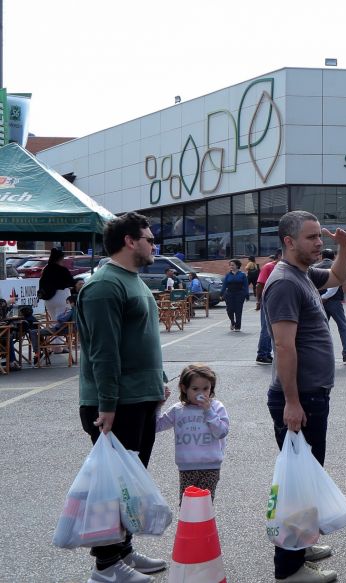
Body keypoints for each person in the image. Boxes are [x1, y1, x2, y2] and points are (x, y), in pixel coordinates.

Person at [76, 211, 169, 582]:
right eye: (148, 239)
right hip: (117, 404)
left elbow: (144, 340)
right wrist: (108, 405)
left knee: (128, 486)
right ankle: (106, 566)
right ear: (130, 242)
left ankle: (123, 553)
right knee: (114, 489)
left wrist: (158, 379)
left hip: (139, 397)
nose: (153, 245)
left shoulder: (133, 281)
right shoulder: (103, 286)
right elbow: (104, 352)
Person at [262, 211, 346, 582]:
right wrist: (293, 402)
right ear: (289, 241)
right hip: (300, 399)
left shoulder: (302, 275)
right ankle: (290, 569)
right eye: (313, 238)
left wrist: (344, 247)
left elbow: (337, 276)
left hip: (311, 395)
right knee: (298, 485)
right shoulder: (285, 282)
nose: (320, 244)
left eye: (321, 237)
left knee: (306, 479)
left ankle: (300, 543)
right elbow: (283, 346)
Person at [156, 364, 230, 500]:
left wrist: (209, 412)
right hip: (186, 467)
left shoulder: (216, 407)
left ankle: (205, 522)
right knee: (187, 505)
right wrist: (159, 405)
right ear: (184, 388)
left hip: (210, 466)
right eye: (195, 389)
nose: (201, 393)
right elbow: (157, 426)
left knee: (204, 505)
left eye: (206, 388)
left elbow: (221, 432)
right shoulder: (178, 410)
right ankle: (186, 522)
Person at [316, 249, 346, 363]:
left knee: (322, 328)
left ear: (322, 256)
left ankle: (324, 354)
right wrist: (326, 296)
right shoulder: (335, 267)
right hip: (334, 301)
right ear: (334, 257)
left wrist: (321, 298)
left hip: (320, 302)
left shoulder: (316, 267)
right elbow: (335, 285)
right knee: (342, 326)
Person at [255, 252, 280, 365]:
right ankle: (262, 354)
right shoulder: (269, 267)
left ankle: (267, 353)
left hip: (281, 301)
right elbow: (259, 284)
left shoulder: (288, 267)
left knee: (275, 329)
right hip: (269, 300)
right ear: (279, 256)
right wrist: (258, 301)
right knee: (266, 328)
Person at [38, 247, 75, 317]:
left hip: (48, 299)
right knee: (63, 322)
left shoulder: (46, 269)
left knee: (54, 322)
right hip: (62, 296)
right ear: (61, 258)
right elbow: (71, 282)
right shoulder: (63, 270)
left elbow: (42, 283)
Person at [222, 259, 250, 331]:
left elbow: (246, 285)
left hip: (239, 294)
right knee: (229, 310)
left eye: (232, 265)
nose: (231, 266)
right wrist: (221, 293)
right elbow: (224, 285)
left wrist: (246, 295)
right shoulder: (228, 275)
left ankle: (238, 326)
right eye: (230, 265)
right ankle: (232, 322)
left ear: (237, 266)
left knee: (238, 311)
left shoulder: (242, 275)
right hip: (229, 294)